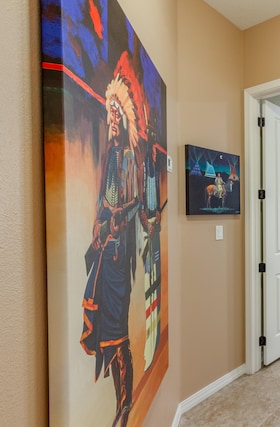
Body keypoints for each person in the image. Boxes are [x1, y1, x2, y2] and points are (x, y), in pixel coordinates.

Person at [80, 72, 140, 427]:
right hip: (105, 254)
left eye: (116, 113)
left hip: (119, 259)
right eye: (109, 113)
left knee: (119, 335)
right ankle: (122, 404)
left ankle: (125, 404)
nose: (112, 119)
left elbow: (132, 205)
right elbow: (105, 207)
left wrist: (120, 221)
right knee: (107, 330)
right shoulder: (109, 160)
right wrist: (101, 226)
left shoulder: (129, 159)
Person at [139, 138, 162, 372]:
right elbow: (139, 203)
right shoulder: (142, 170)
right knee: (149, 282)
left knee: (157, 281)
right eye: (152, 150)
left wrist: (158, 218)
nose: (154, 154)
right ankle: (148, 344)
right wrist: (147, 223)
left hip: (155, 233)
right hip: (147, 235)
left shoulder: (153, 171)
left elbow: (155, 206)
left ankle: (155, 339)